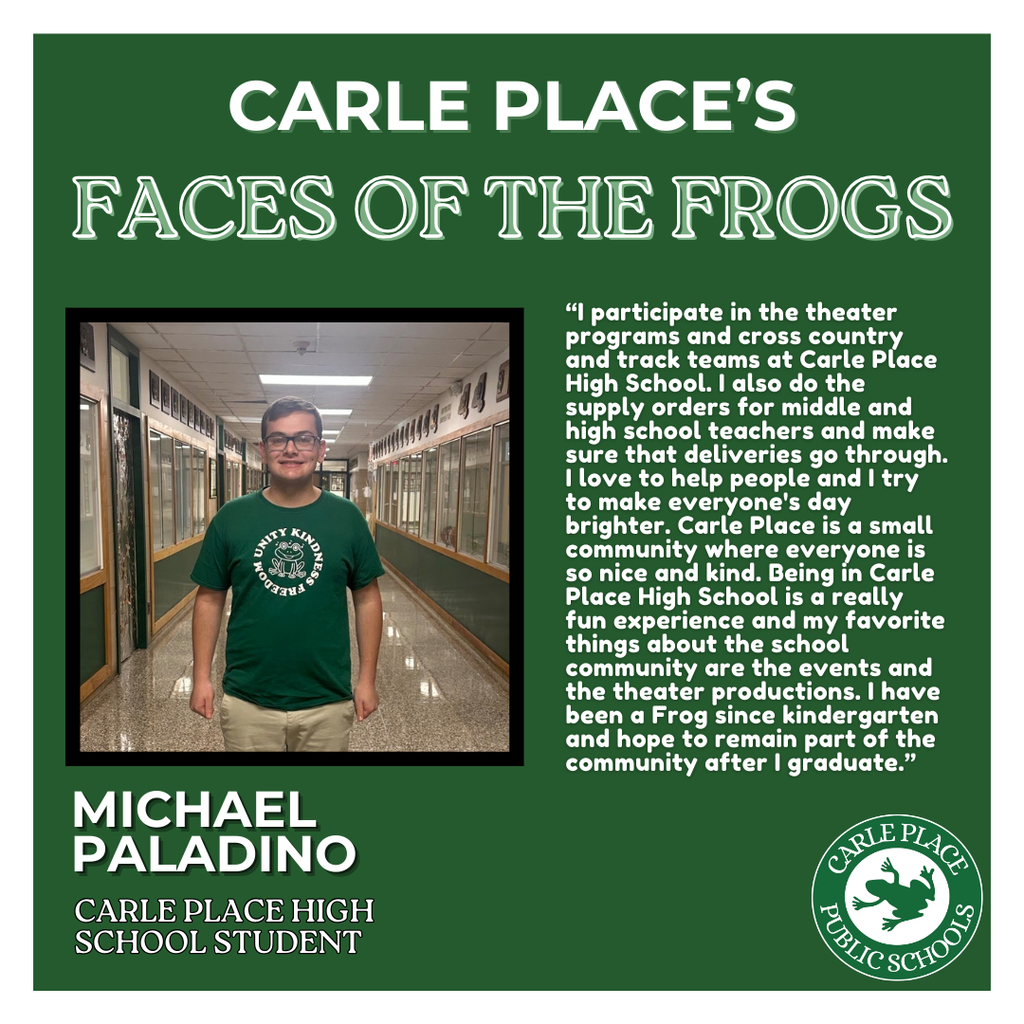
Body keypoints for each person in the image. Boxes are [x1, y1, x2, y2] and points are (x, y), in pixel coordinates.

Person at [189, 396, 384, 752]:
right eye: (278, 439)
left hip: (326, 699)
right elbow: (209, 598)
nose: (290, 449)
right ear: (263, 449)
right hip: (249, 698)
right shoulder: (232, 517)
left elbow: (367, 598)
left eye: (304, 439)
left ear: (321, 449)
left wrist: (367, 679)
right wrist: (201, 677)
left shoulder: (347, 518)